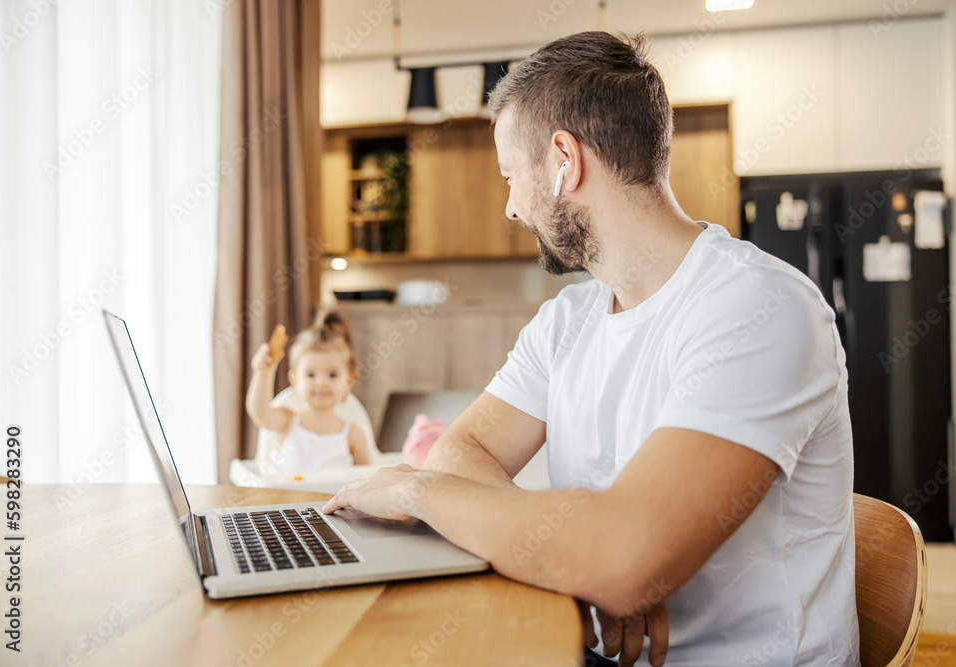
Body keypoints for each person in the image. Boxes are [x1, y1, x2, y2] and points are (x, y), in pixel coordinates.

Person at [323, 31, 859, 666]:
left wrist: (414, 493)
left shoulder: (758, 308)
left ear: (563, 161)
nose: (511, 208)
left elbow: (622, 563)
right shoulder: (567, 320)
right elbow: (459, 453)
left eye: (510, 176)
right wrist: (577, 555)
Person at [246, 311, 371, 472]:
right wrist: (263, 374)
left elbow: (368, 481)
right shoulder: (287, 421)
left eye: (332, 375)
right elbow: (260, 413)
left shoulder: (353, 434)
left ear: (349, 380)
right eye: (311, 375)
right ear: (295, 380)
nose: (322, 382)